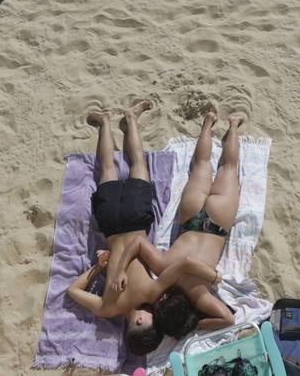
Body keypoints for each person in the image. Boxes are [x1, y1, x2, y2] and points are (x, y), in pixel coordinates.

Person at [65, 101, 215, 355]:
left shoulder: (155, 292)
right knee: (109, 169)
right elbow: (73, 290)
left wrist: (109, 268)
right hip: (111, 227)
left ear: (138, 322)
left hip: (134, 223)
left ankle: (130, 118)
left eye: (152, 322)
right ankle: (106, 123)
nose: (154, 315)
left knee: (138, 164)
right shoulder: (106, 309)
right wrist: (98, 269)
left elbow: (177, 264)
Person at [112, 111, 246, 342]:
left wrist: (198, 326)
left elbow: (227, 319)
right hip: (191, 218)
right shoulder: (165, 269)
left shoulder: (199, 297)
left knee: (228, 168)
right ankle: (208, 122)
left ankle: (233, 125)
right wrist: (121, 269)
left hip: (217, 223)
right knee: (201, 165)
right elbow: (138, 243)